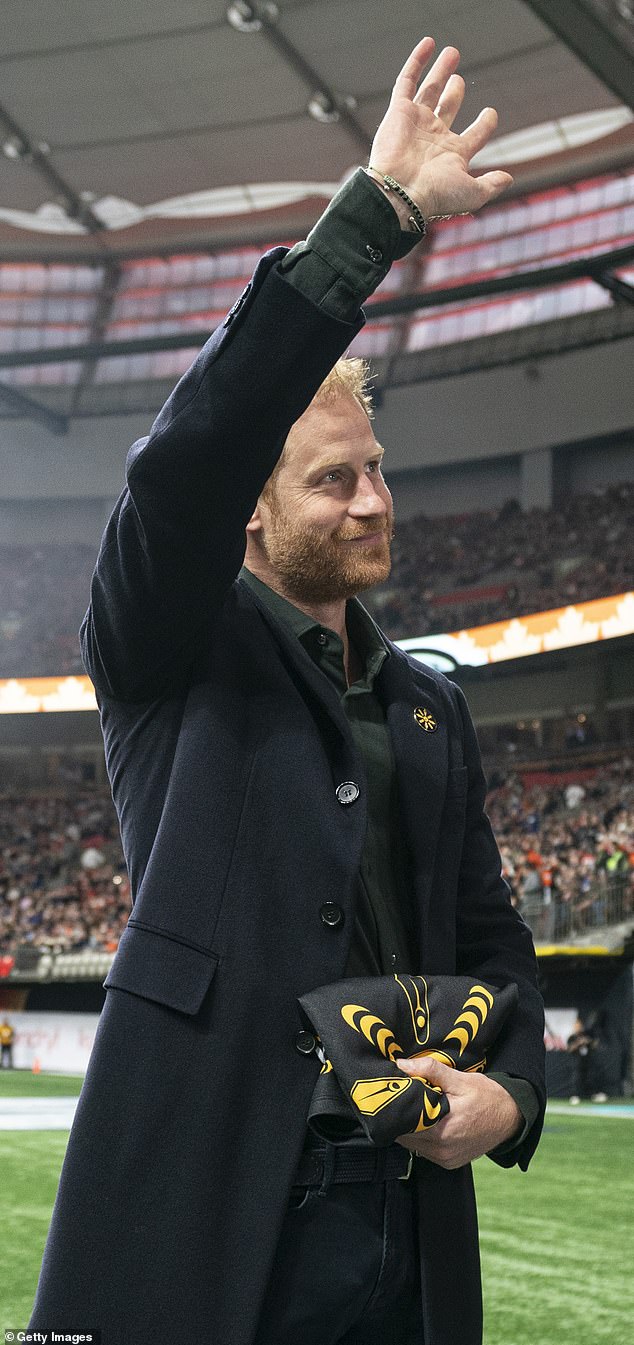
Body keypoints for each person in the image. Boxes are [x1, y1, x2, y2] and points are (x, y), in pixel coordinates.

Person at [29, 37, 546, 1345]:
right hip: (217, 1196)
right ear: (251, 513)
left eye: (376, 468)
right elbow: (185, 460)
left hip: (402, 1214)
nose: (372, 497)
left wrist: (514, 1099)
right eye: (331, 478)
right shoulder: (166, 644)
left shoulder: (429, 702)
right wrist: (370, 220)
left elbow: (491, 950)